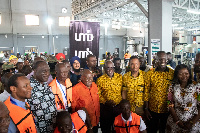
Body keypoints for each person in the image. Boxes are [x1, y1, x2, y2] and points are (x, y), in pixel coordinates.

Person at [144, 51, 174, 133]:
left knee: (164, 130)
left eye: (164, 59)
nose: (162, 61)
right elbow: (146, 91)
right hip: (153, 109)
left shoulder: (172, 73)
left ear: (167, 59)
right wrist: (146, 109)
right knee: (152, 129)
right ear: (156, 60)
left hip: (167, 109)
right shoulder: (150, 73)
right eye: (160, 59)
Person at [166, 64, 200, 133]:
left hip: (193, 121)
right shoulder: (172, 86)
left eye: (186, 73)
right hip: (175, 121)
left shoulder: (197, 86)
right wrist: (177, 121)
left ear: (189, 74)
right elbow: (169, 103)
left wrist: (192, 122)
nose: (184, 76)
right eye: (181, 74)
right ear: (176, 75)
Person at [27, 61, 57, 133]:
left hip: (52, 129)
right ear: (35, 71)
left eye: (48, 71)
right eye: (44, 71)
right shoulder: (28, 88)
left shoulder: (46, 85)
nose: (47, 74)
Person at [96, 60, 122, 133]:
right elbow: (98, 94)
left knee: (117, 129)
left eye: (111, 67)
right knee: (106, 129)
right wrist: (105, 102)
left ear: (114, 68)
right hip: (106, 109)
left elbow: (123, 91)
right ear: (104, 68)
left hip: (118, 108)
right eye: (108, 68)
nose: (110, 70)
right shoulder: (100, 80)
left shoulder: (120, 77)